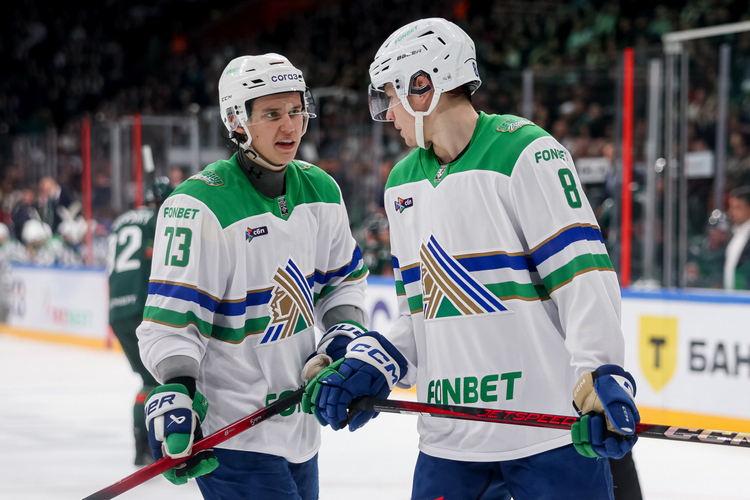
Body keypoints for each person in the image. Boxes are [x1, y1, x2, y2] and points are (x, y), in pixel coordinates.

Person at [305, 18, 640, 500]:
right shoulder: (401, 183)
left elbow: (582, 277)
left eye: (391, 95)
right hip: (449, 438)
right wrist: (377, 360)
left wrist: (602, 371)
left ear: (423, 86)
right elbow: (420, 313)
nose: (388, 113)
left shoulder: (526, 152)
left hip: (546, 433)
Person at [136, 53, 369, 499]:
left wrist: (340, 340)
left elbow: (342, 283)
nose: (291, 126)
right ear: (236, 121)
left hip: (300, 430)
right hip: (233, 436)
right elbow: (170, 325)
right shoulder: (198, 206)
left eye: (296, 110)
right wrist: (178, 389)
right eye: (272, 114)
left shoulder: (321, 190)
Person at [107, 177, 173, 465]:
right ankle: (150, 446)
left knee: (147, 380)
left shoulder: (121, 221)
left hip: (116, 311)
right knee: (157, 379)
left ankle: (142, 448)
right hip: (143, 307)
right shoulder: (158, 220)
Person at [723, 186, 750, 290]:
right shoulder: (735, 234)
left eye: (737, 207)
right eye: (731, 207)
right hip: (732, 297)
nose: (731, 212)